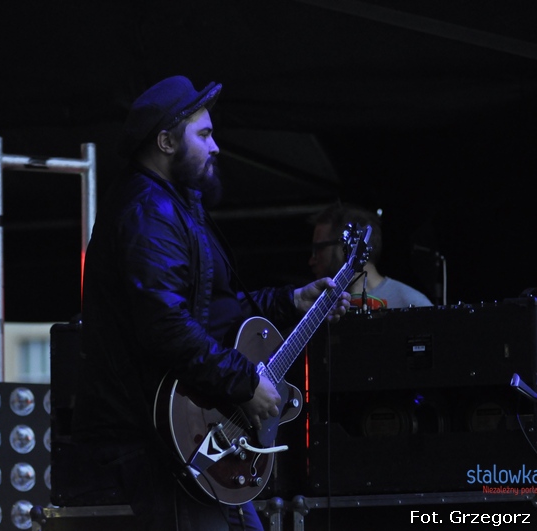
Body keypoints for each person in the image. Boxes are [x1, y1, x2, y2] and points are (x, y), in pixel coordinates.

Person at [69, 75, 353, 531]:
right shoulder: (148, 213)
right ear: (165, 142)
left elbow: (215, 309)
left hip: (189, 434)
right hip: (152, 442)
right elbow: (166, 326)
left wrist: (290, 301)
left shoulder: (176, 206)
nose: (216, 146)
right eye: (203, 135)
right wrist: (245, 383)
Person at [309, 201, 433, 309]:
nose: (311, 261)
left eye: (319, 248)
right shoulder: (320, 306)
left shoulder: (412, 303)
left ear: (350, 246)